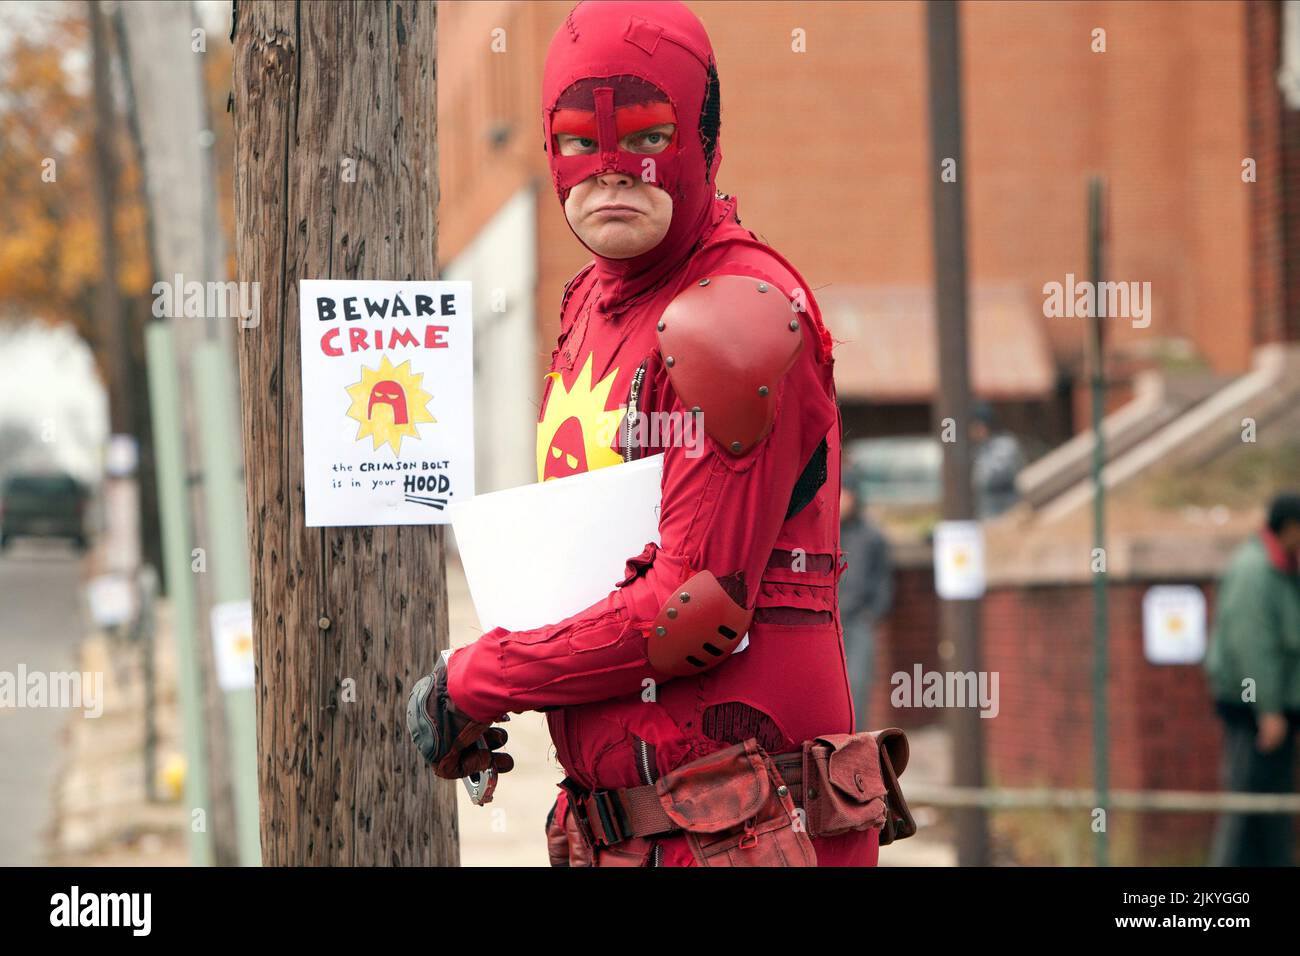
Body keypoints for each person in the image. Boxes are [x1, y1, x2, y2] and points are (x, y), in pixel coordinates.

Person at [407, 0, 890, 866]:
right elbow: (586, 554)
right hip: (625, 829)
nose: (613, 170)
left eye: (648, 134)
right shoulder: (589, 302)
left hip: (743, 831)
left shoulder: (735, 315)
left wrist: (483, 677)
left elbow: (691, 613)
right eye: (580, 142)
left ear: (701, 136)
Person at [1204, 492, 1300, 866]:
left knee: (1272, 811)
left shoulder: (1281, 569)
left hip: (1272, 709)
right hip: (1253, 711)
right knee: (1245, 805)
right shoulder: (1255, 571)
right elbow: (1253, 646)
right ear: (1290, 528)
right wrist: (1269, 710)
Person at [839, 480, 893, 729]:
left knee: (859, 683)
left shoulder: (872, 537)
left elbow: (884, 579)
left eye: (846, 494)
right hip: (830, 622)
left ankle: (856, 739)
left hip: (859, 621)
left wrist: (873, 613)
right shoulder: (826, 533)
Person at [970, 401, 1024, 518]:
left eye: (976, 426)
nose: (973, 431)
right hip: (987, 511)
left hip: (1006, 510)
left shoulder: (1005, 444)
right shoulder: (979, 446)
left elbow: (988, 478)